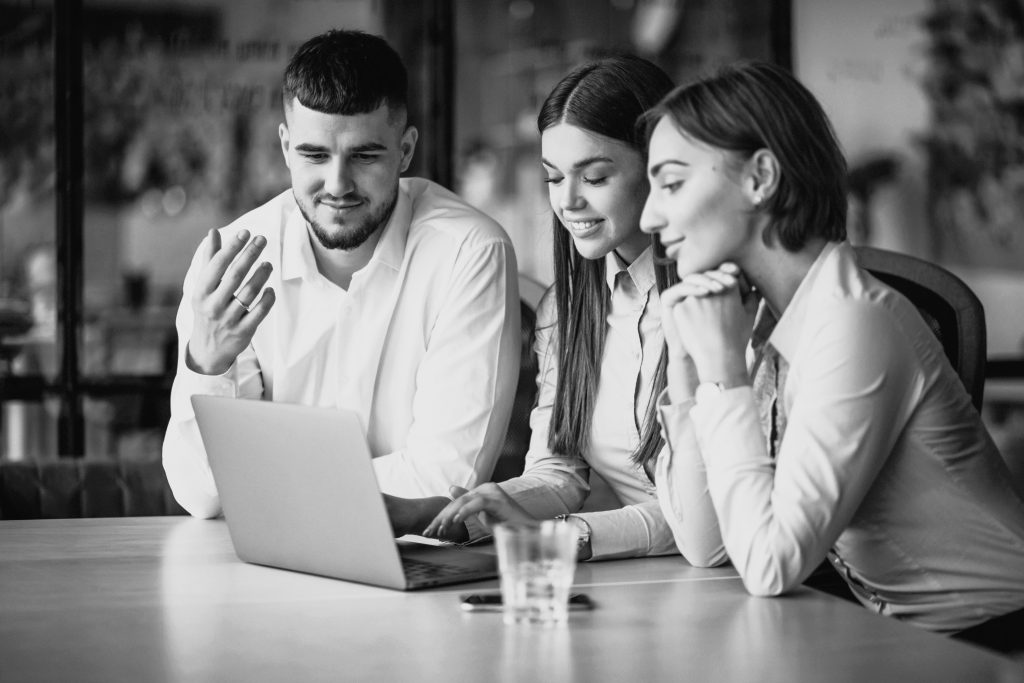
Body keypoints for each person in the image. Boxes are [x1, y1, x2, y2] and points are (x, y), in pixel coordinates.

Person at [642, 60, 1024, 640]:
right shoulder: (763, 318)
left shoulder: (854, 321)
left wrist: (725, 373)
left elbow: (770, 566)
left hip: (994, 643)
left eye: (670, 183)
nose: (650, 216)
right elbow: (706, 545)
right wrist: (691, 367)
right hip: (904, 640)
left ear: (760, 177)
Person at [162, 29, 520, 527]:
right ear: (286, 147)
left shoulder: (468, 252)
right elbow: (202, 495)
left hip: (410, 574)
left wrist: (261, 485)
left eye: (365, 156)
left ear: (406, 150)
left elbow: (444, 481)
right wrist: (208, 362)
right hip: (264, 571)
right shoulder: (229, 261)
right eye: (314, 155)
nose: (337, 185)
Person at [424, 55, 720, 561]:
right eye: (554, 178)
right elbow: (558, 469)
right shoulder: (566, 308)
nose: (568, 202)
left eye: (595, 177)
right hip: (650, 584)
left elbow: (708, 522)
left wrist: (569, 536)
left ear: (660, 170)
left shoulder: (714, 302)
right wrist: (489, 506)